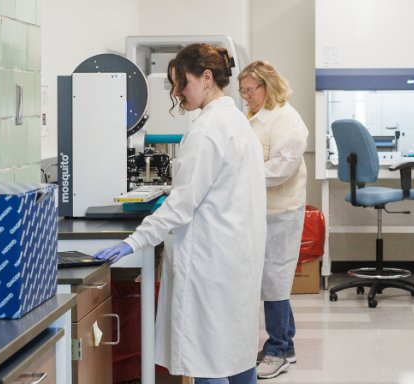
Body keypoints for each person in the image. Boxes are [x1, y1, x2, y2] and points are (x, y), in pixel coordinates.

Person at [93, 43, 266, 384]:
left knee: (209, 360)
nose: (176, 93)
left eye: (180, 83)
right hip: (237, 260)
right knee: (237, 354)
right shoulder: (238, 122)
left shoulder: (206, 130)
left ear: (206, 78)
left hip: (210, 265)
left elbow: (180, 206)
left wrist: (134, 241)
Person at [237, 61, 308, 380]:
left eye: (250, 90)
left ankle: (279, 349)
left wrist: (240, 175)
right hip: (261, 209)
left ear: (268, 86)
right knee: (270, 278)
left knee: (275, 279)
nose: (246, 96)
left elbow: (283, 168)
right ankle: (284, 344)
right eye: (243, 91)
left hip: (280, 211)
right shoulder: (254, 117)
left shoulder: (287, 118)